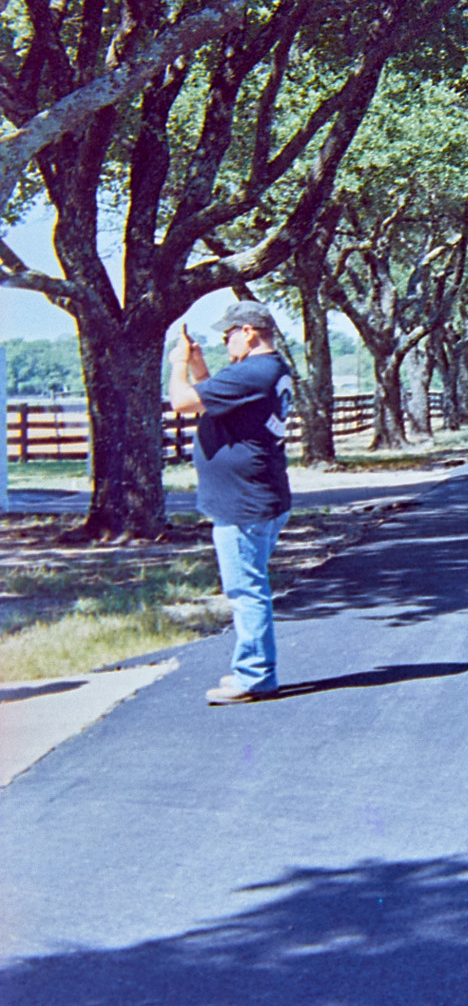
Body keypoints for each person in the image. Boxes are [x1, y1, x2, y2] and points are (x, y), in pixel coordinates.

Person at [168, 302, 292, 705]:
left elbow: (184, 402)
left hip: (244, 502)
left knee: (246, 590)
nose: (225, 341)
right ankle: (255, 669)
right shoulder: (264, 371)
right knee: (249, 584)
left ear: (249, 332)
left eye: (228, 334)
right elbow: (214, 401)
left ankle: (254, 676)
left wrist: (178, 364)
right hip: (258, 494)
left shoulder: (255, 371)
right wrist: (202, 367)